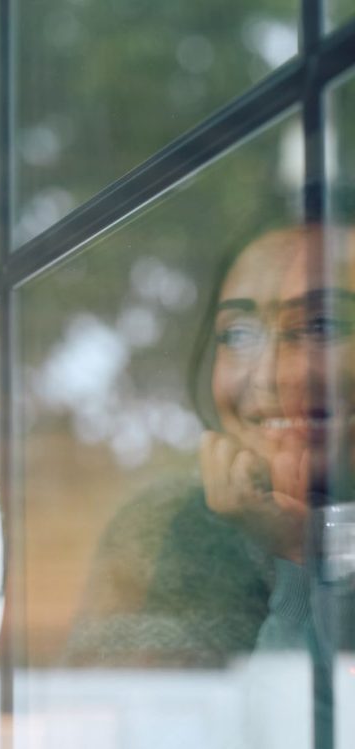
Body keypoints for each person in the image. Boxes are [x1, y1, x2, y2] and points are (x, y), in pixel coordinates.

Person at [65, 191, 355, 667]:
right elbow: (144, 731)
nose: (267, 378)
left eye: (321, 325)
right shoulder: (172, 527)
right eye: (238, 334)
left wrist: (305, 556)